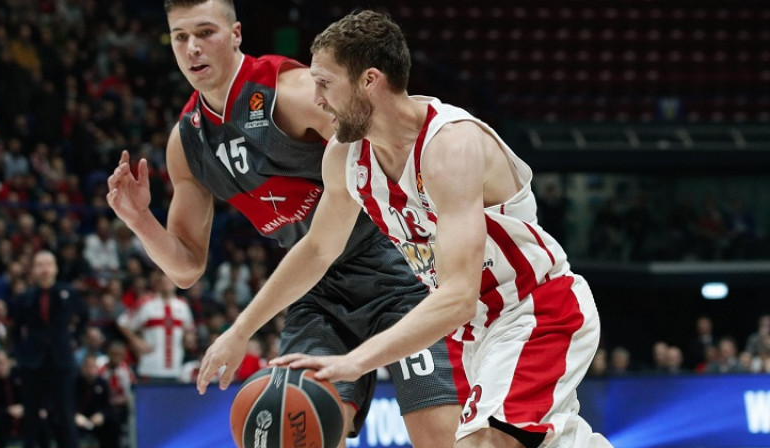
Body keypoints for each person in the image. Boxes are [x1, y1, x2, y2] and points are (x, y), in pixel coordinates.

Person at [221, 10, 613, 448]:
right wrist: (240, 331)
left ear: (369, 80)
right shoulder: (345, 157)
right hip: (475, 335)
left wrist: (355, 362)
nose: (316, 99)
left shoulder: (450, 145)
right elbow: (317, 251)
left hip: (533, 310)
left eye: (325, 83)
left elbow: (458, 296)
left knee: (483, 444)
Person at [106, 1, 463, 445]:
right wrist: (141, 221)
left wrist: (241, 331)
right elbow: (186, 268)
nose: (193, 48)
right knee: (294, 429)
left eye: (206, 33)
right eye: (181, 37)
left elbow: (386, 143)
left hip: (398, 269)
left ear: (236, 34)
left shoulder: (291, 92)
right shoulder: (187, 141)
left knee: (440, 438)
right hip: (317, 290)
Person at [12, 250, 88, 448]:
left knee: (65, 413)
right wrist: (21, 354)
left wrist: (74, 339)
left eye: (48, 264)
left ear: (55, 268)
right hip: (32, 363)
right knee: (31, 415)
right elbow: (15, 330)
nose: (44, 268)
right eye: (40, 264)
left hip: (61, 361)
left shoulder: (68, 292)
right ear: (34, 269)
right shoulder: (25, 296)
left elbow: (84, 317)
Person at [116, 272, 194, 382]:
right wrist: (136, 341)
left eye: (170, 281)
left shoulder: (183, 306)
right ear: (158, 283)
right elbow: (122, 323)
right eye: (164, 281)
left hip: (176, 368)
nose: (167, 284)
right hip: (150, 367)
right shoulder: (146, 303)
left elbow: (189, 329)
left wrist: (189, 338)